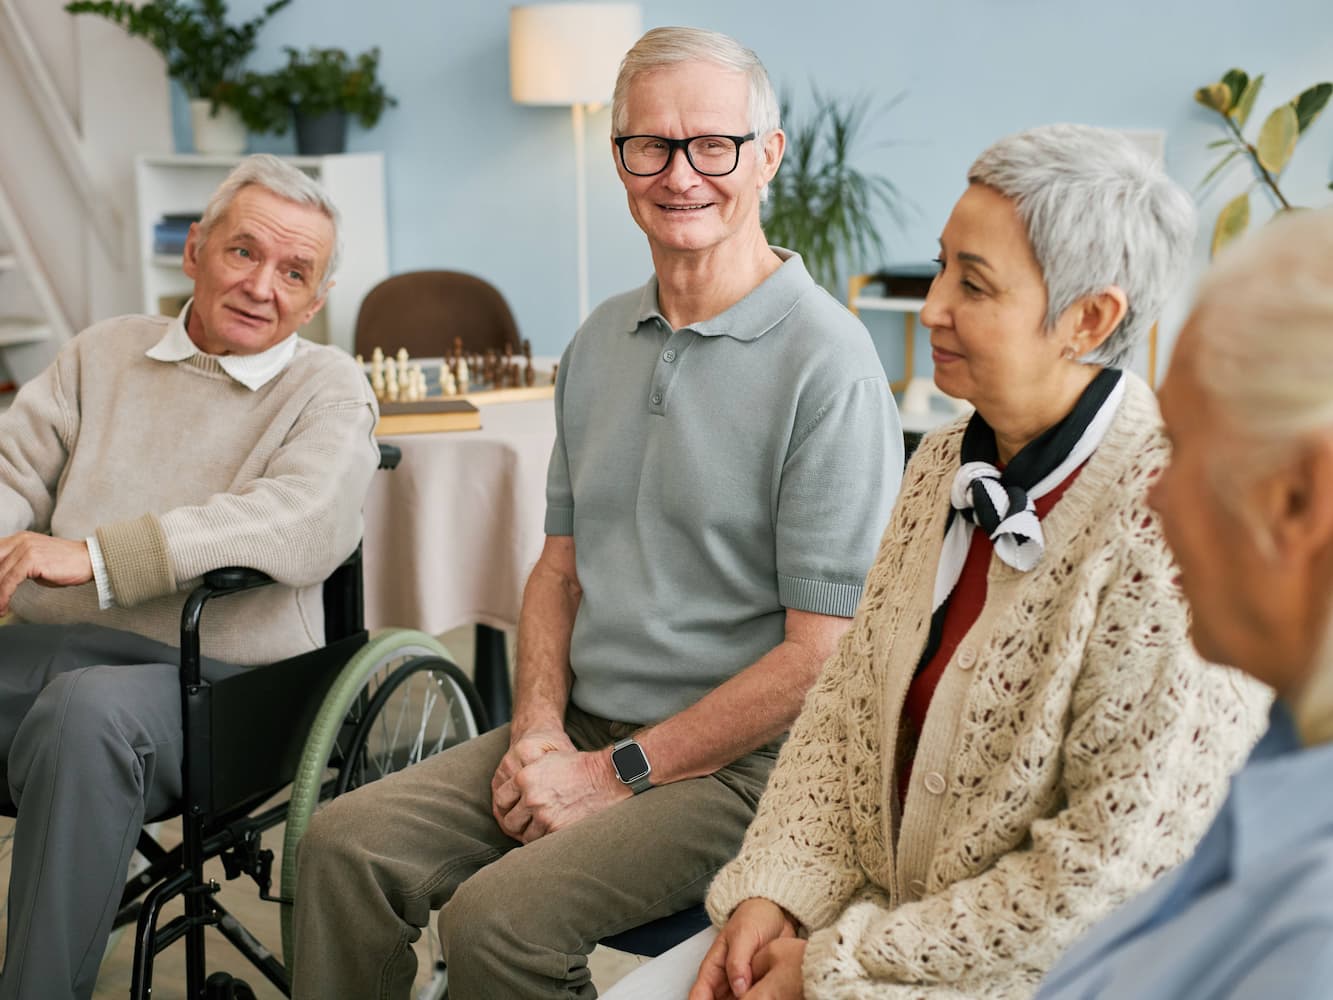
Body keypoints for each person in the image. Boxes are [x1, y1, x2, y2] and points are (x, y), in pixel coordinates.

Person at [290, 26, 902, 1000]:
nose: (679, 173)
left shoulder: (828, 364)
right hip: (580, 724)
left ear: (768, 155)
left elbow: (819, 655)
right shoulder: (597, 340)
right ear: (618, 158)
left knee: (496, 926)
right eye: (648, 145)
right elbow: (557, 570)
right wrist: (535, 729)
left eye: (712, 144)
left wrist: (612, 773)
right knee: (338, 849)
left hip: (741, 775)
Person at [605, 123, 1272, 1000]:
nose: (929, 308)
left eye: (975, 284)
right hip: (874, 922)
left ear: (1088, 318)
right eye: (941, 266)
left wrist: (834, 968)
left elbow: (1101, 883)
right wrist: (776, 891)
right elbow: (844, 712)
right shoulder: (944, 461)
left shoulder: (1174, 527)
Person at [0, 154, 379, 1000]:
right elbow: (12, 472)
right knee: (76, 698)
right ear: (195, 252)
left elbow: (303, 522)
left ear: (314, 302)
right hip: (58, 647)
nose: (261, 286)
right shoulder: (104, 352)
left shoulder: (327, 386)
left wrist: (97, 557)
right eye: (243, 253)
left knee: (84, 714)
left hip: (225, 687)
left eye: (293, 272)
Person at [1033, 206, 1333, 999]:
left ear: (1300, 500)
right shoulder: (1280, 772)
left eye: (1185, 445)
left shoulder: (1313, 944)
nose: (1157, 495)